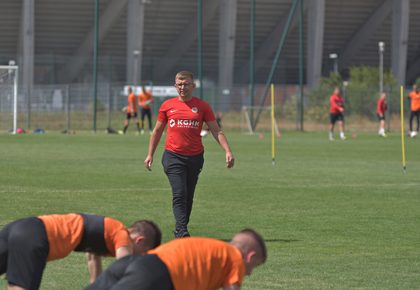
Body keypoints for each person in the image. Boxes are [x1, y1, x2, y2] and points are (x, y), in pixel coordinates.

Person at [144, 71, 235, 238]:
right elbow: (157, 131)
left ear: (193, 86)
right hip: (172, 156)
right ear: (175, 86)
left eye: (186, 84)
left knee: (189, 195)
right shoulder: (167, 106)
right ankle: (181, 231)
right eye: (179, 84)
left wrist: (228, 151)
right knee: (179, 193)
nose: (182, 87)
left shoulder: (203, 106)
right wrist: (150, 154)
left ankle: (181, 228)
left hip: (195, 157)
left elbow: (216, 130)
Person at [0, 213, 161, 290]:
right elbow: (124, 270)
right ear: (139, 240)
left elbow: (92, 256)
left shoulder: (108, 233)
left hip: (22, 226)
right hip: (36, 236)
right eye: (141, 255)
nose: (137, 259)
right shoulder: (122, 235)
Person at [85, 228, 267, 290]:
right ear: (250, 256)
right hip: (158, 275)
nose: (249, 273)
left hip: (140, 262)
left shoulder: (213, 250)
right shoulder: (234, 257)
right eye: (254, 266)